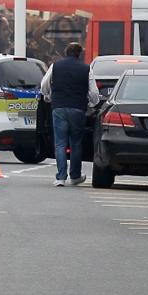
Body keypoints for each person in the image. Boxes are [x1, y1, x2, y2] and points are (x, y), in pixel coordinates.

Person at [39, 41, 101, 187]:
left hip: (59, 107)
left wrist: (48, 97)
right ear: (79, 54)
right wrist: (91, 105)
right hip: (78, 109)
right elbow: (94, 93)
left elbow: (44, 85)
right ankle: (75, 176)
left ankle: (60, 177)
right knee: (76, 143)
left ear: (66, 52)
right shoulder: (87, 69)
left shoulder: (56, 66)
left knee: (60, 142)